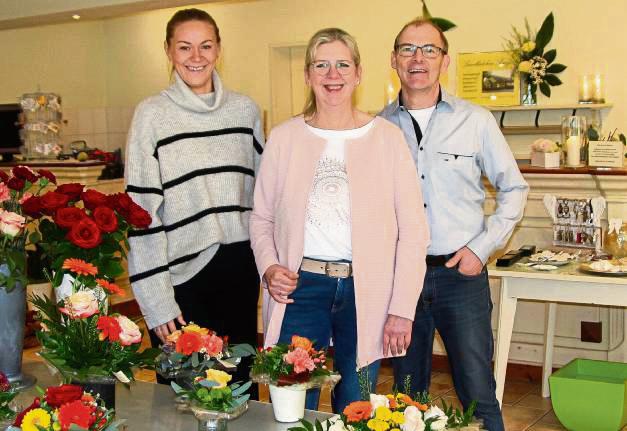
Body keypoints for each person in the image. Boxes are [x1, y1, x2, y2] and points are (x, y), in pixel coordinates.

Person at [250, 27, 429, 414]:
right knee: (293, 405)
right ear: (308, 74)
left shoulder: (387, 139)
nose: (333, 75)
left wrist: (402, 306)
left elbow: (414, 232)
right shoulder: (283, 138)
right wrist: (269, 266)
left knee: (356, 406)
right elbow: (261, 217)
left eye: (342, 64)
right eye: (322, 65)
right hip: (300, 289)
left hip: (367, 292)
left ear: (359, 73)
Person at [379, 19, 529, 431]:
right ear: (393, 60)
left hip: (460, 278)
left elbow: (514, 189)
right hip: (401, 281)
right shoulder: (376, 128)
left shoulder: (476, 121)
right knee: (407, 397)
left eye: (429, 49)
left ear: (444, 61)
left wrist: (481, 250)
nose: (418, 58)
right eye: (407, 49)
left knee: (478, 392)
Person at [125, 8, 263, 397]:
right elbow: (141, 214)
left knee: (238, 390)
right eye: (184, 47)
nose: (196, 56)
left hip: (239, 268)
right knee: (184, 396)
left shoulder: (245, 110)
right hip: (182, 278)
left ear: (219, 49)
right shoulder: (151, 115)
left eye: (205, 46)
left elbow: (263, 197)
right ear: (168, 51)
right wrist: (156, 300)